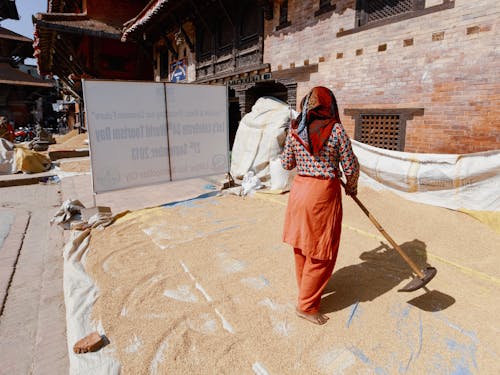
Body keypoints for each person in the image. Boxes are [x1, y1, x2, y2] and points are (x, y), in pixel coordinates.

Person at [280, 86, 359, 325]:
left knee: (302, 245)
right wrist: (352, 186)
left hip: (300, 191)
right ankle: (307, 305)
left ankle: (306, 289)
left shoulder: (296, 130)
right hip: (322, 195)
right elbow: (351, 167)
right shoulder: (335, 130)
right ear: (328, 106)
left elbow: (286, 163)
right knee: (322, 252)